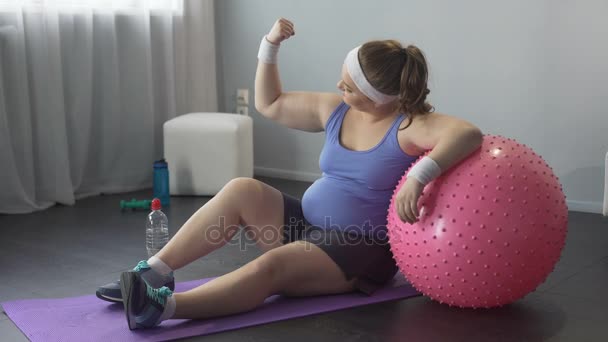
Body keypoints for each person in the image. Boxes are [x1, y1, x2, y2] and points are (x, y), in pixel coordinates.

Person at [97, 18, 483, 330]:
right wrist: (270, 45)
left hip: (359, 250)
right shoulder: (338, 110)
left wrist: (420, 176)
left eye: (348, 87)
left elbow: (467, 133)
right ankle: (155, 273)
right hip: (309, 226)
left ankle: (162, 309)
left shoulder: (409, 125)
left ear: (378, 97)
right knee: (241, 189)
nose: (338, 87)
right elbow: (271, 102)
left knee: (272, 267)